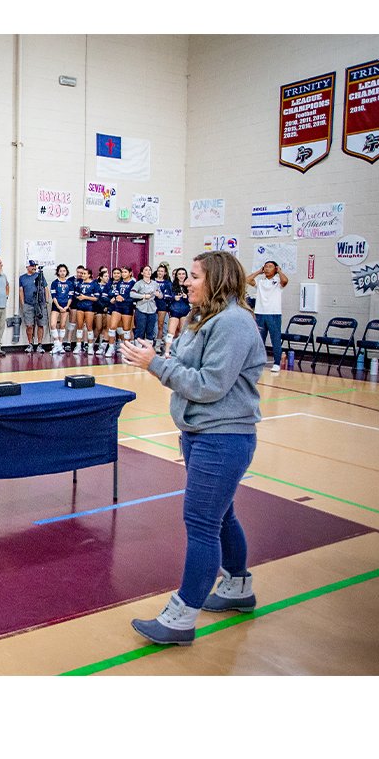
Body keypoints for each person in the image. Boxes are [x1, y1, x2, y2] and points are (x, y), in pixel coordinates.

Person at [119, 250, 266, 644]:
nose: (187, 281)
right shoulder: (202, 320)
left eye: (196, 276)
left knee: (201, 522)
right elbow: (187, 371)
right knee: (222, 515)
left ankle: (182, 616)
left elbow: (209, 385)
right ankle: (237, 587)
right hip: (202, 435)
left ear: (216, 280)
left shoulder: (234, 323)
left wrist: (154, 364)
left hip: (224, 437)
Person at [247, 259, 289, 373]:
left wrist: (279, 271)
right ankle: (258, 362)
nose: (267, 268)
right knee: (259, 340)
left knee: (275, 339)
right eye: (265, 267)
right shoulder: (261, 282)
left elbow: (285, 281)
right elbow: (247, 280)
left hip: (273, 314)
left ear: (275, 269)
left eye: (270, 266)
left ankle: (276, 363)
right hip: (260, 313)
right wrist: (258, 272)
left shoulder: (277, 282)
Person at [17, 260, 48, 353]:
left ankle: (39, 344)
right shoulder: (22, 278)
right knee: (29, 325)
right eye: (32, 266)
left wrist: (46, 301)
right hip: (28, 304)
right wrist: (23, 304)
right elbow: (21, 291)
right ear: (27, 267)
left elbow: (46, 289)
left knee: (40, 324)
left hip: (40, 304)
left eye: (35, 266)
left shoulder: (40, 276)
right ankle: (30, 344)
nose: (34, 267)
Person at [72, 265, 99, 354]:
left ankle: (90, 346)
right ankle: (78, 345)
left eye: (84, 274)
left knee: (89, 327)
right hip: (80, 306)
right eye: (82, 273)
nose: (82, 275)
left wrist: (85, 297)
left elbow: (96, 298)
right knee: (79, 326)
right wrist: (79, 297)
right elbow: (76, 294)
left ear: (89, 275)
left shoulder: (94, 284)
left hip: (89, 307)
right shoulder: (80, 284)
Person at [130, 264, 159, 343]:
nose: (148, 272)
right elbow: (132, 294)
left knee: (150, 330)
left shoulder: (155, 284)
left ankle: (148, 348)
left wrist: (158, 294)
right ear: (142, 273)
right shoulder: (138, 283)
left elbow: (161, 295)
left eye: (149, 270)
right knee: (140, 329)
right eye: (146, 270)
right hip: (141, 308)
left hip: (152, 309)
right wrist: (143, 295)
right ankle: (138, 348)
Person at [165, 267, 191, 354]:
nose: (181, 276)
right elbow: (165, 297)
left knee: (183, 332)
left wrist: (186, 297)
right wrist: (173, 298)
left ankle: (181, 352)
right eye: (179, 274)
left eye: (183, 274)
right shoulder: (171, 285)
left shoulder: (189, 286)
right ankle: (167, 351)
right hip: (174, 311)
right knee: (171, 332)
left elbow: (194, 299)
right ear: (176, 275)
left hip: (185, 311)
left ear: (186, 275)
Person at [153, 263, 173, 353]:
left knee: (160, 325)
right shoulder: (152, 281)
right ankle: (150, 342)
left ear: (165, 273)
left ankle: (158, 344)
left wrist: (162, 296)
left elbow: (170, 295)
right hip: (151, 304)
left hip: (162, 305)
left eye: (162, 271)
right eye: (158, 271)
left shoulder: (167, 283)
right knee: (151, 324)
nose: (160, 273)